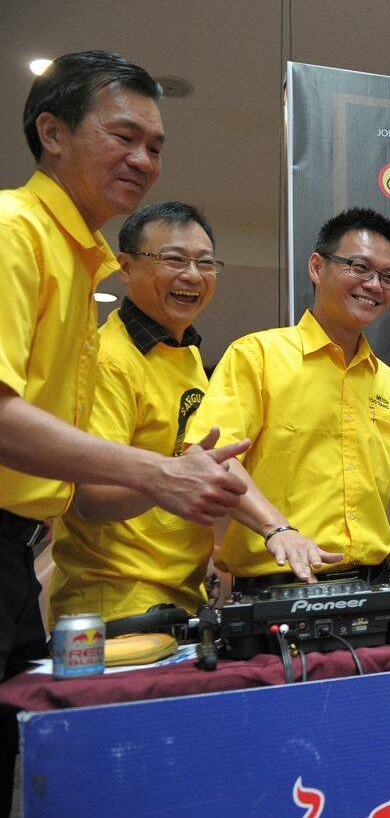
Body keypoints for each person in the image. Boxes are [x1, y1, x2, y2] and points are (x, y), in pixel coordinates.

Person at [0, 51, 248, 811]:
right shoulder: (14, 230)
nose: (143, 159)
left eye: (156, 145)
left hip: (21, 552)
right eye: (123, 136)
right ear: (52, 132)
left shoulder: (82, 266)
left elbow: (78, 470)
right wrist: (158, 472)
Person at [187, 208, 390, 586]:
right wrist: (278, 529)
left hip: (374, 584)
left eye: (387, 277)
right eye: (359, 267)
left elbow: (384, 494)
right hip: (280, 583)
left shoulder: (387, 381)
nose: (374, 285)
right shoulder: (257, 355)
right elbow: (213, 457)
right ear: (317, 267)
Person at [50, 202, 225, 624]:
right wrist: (177, 474)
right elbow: (92, 498)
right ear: (125, 267)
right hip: (118, 602)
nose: (193, 275)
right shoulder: (109, 359)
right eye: (174, 259)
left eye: (205, 262)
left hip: (179, 594)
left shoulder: (184, 353)